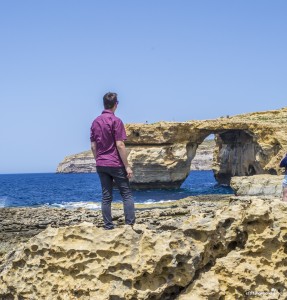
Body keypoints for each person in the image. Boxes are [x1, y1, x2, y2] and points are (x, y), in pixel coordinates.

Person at [90, 92, 135, 229]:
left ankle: (108, 226)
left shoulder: (95, 122)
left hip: (101, 163)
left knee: (106, 196)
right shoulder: (116, 121)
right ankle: (129, 225)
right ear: (116, 104)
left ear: (104, 104)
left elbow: (93, 146)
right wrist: (127, 166)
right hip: (115, 163)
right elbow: (120, 145)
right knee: (126, 194)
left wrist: (99, 159)